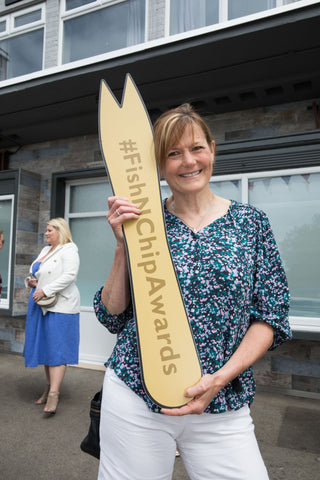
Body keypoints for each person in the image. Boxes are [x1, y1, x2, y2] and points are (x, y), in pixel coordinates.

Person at [93, 104, 292, 479]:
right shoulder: (145, 223)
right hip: (136, 396)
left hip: (223, 401)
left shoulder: (250, 223)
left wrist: (220, 378)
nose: (188, 161)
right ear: (160, 164)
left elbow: (270, 316)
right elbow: (112, 314)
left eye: (196, 148)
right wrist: (122, 246)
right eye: (173, 153)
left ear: (212, 150)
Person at [24, 218, 80, 414]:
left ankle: (54, 394)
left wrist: (45, 289)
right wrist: (32, 282)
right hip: (40, 304)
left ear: (60, 230)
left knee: (57, 349)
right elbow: (40, 273)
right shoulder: (45, 250)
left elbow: (70, 276)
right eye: (45, 230)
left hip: (60, 306)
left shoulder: (69, 249)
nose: (45, 234)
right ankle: (48, 388)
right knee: (47, 348)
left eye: (49, 230)